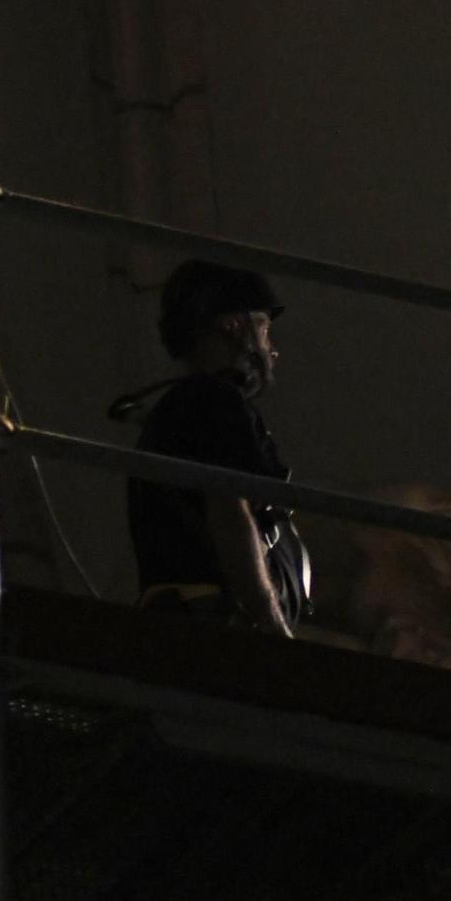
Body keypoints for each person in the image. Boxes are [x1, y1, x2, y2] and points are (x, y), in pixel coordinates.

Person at [123, 259, 310, 635]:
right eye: (264, 328)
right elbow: (229, 509)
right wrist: (271, 624)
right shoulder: (215, 400)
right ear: (234, 325)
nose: (272, 350)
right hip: (217, 618)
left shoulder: (179, 411)